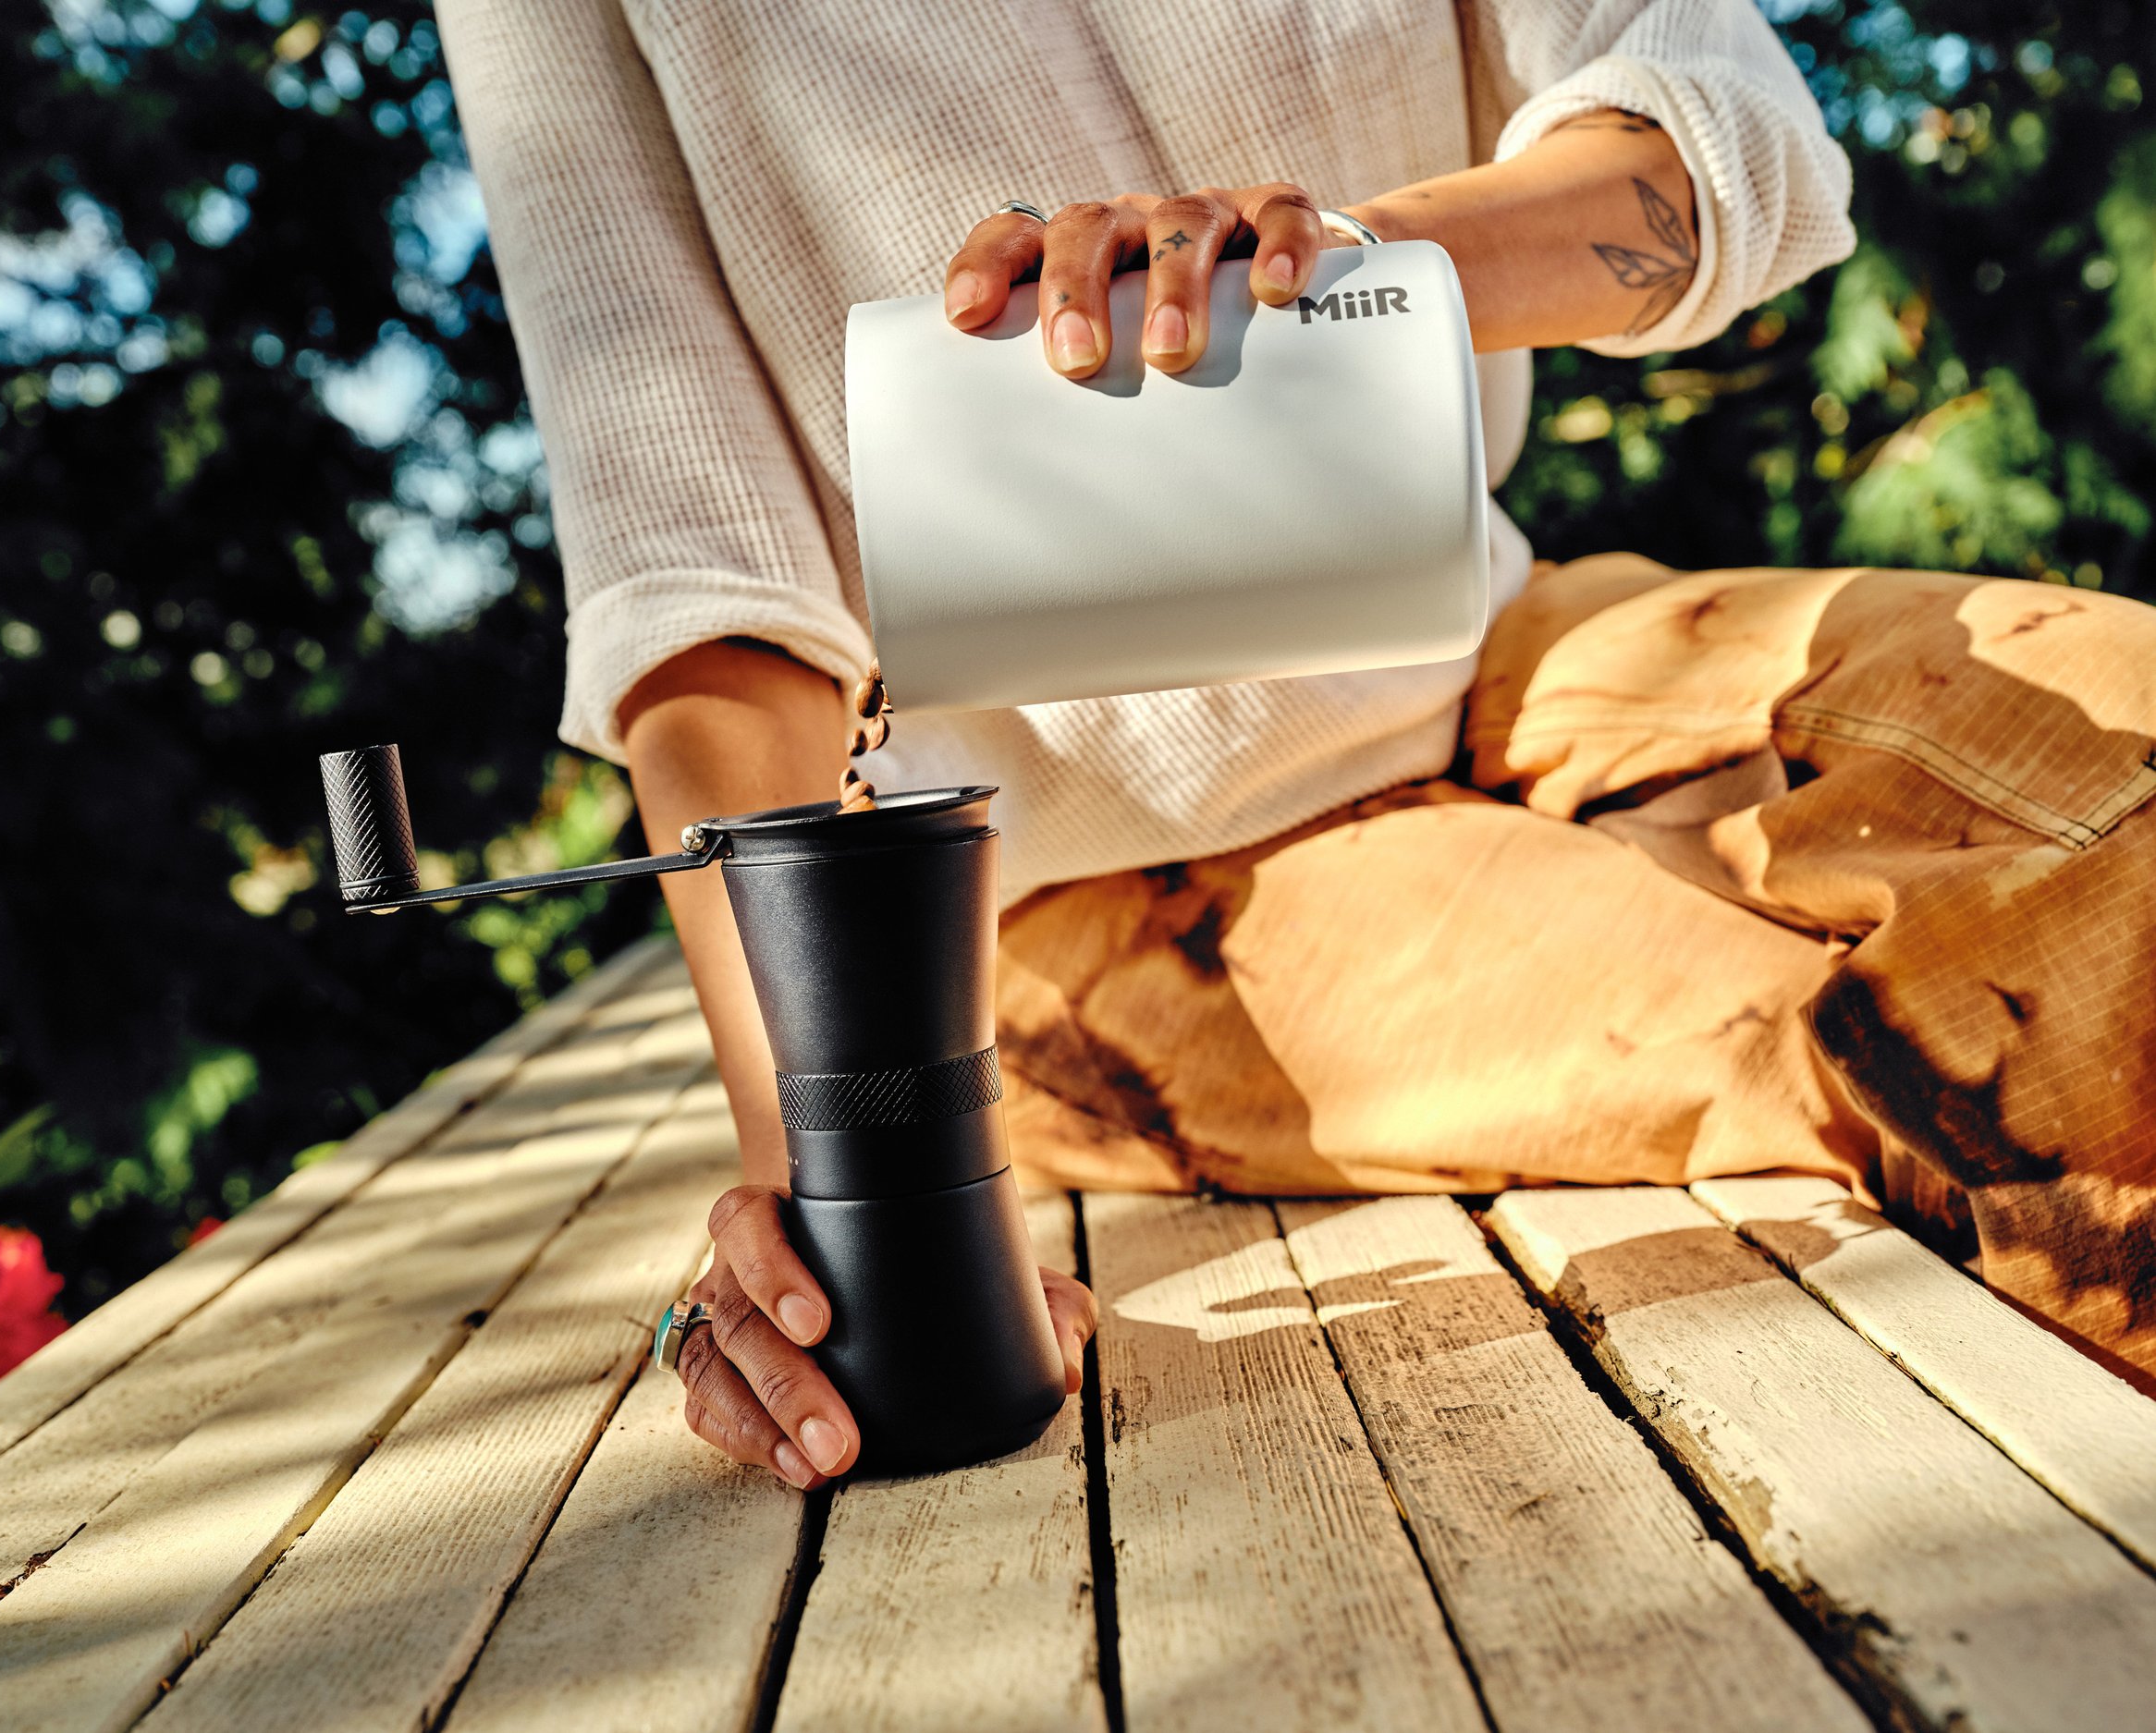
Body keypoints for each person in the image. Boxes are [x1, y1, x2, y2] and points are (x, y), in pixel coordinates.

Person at [436, 0, 2156, 1487]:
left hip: (1500, 642)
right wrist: (825, 1179)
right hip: (1073, 890)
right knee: (1925, 1071)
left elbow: (1731, 137)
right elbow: (705, 592)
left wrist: (1344, 272)